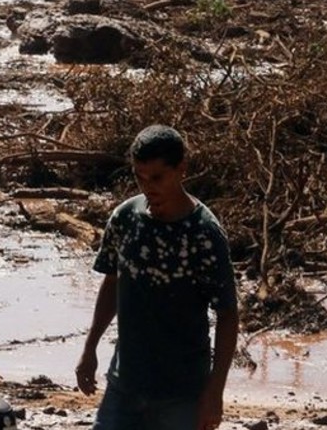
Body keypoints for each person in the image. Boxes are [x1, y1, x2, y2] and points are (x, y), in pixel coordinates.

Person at [74, 125, 239, 430]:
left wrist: (214, 393)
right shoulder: (125, 219)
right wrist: (90, 348)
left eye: (157, 178)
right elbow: (112, 282)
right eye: (139, 176)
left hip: (182, 392)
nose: (148, 187)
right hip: (125, 383)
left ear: (181, 170)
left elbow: (228, 314)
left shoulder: (203, 234)